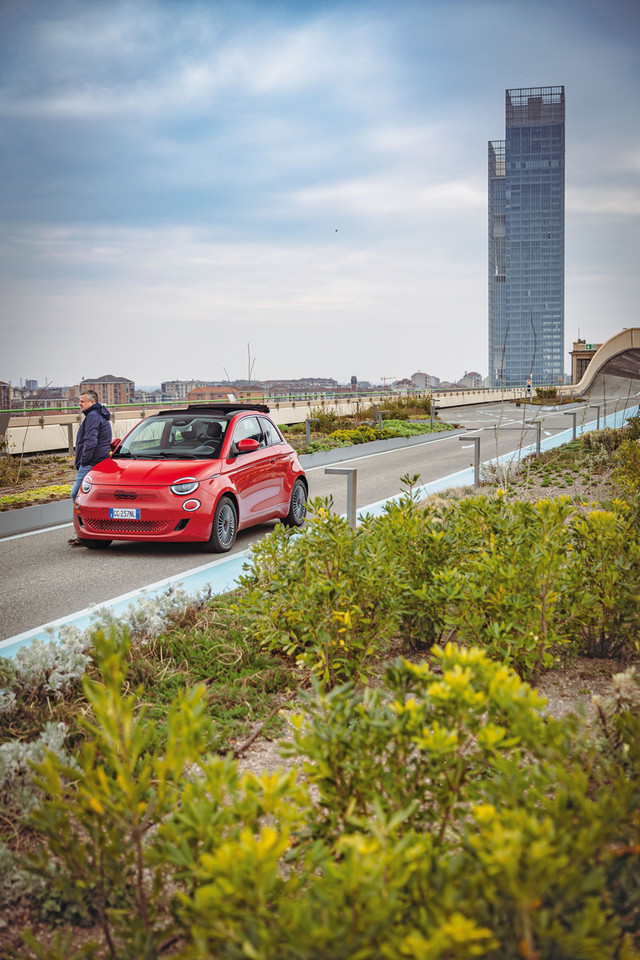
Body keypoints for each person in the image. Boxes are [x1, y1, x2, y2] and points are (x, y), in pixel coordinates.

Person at [68, 390, 112, 546]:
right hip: (98, 461)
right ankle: (91, 531)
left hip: (91, 462)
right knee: (91, 496)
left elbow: (90, 442)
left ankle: (84, 532)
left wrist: (83, 461)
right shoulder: (96, 415)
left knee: (76, 494)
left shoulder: (93, 417)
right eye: (80, 401)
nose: (79, 404)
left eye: (82, 401)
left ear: (92, 402)